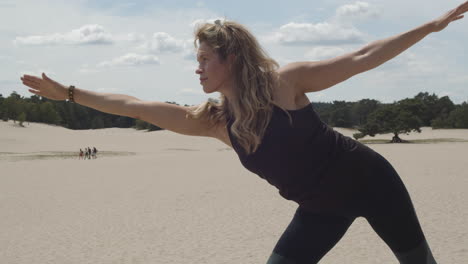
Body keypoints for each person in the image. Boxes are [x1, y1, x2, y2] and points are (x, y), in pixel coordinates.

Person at [20, 2, 468, 263]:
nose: (197, 69)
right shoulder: (214, 122)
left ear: (231, 58)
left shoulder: (284, 83)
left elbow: (363, 55)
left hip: (373, 183)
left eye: (204, 60)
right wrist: (72, 93)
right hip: (319, 208)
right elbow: (135, 106)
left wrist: (431, 26)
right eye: (196, 61)